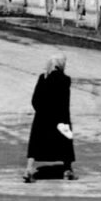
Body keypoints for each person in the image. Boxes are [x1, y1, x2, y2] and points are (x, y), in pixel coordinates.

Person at [23, 55, 76, 183]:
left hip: (42, 117)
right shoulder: (66, 80)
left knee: (35, 145)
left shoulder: (43, 78)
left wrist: (41, 112)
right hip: (60, 117)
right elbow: (65, 102)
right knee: (65, 143)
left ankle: (29, 169)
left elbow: (35, 100)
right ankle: (67, 170)